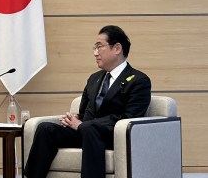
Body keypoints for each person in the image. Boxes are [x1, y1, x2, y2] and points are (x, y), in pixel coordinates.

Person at [24, 25, 151, 178]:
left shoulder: (138, 80)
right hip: (86, 131)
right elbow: (84, 113)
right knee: (46, 129)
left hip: (114, 136)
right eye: (94, 48)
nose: (95, 53)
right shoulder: (94, 79)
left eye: (99, 47)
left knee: (90, 128)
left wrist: (85, 125)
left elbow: (130, 117)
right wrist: (73, 119)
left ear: (117, 48)